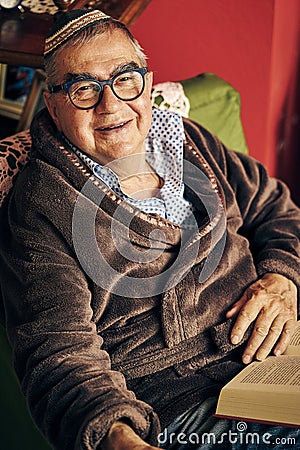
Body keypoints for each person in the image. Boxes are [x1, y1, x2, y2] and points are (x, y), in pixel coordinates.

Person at [0, 8, 299, 450]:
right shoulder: (43, 206)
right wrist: (117, 435)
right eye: (84, 89)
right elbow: (59, 353)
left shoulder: (187, 138)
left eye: (125, 78)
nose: (111, 104)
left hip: (279, 358)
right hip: (186, 402)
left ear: (147, 81)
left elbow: (276, 207)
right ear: (53, 103)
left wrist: (282, 279)